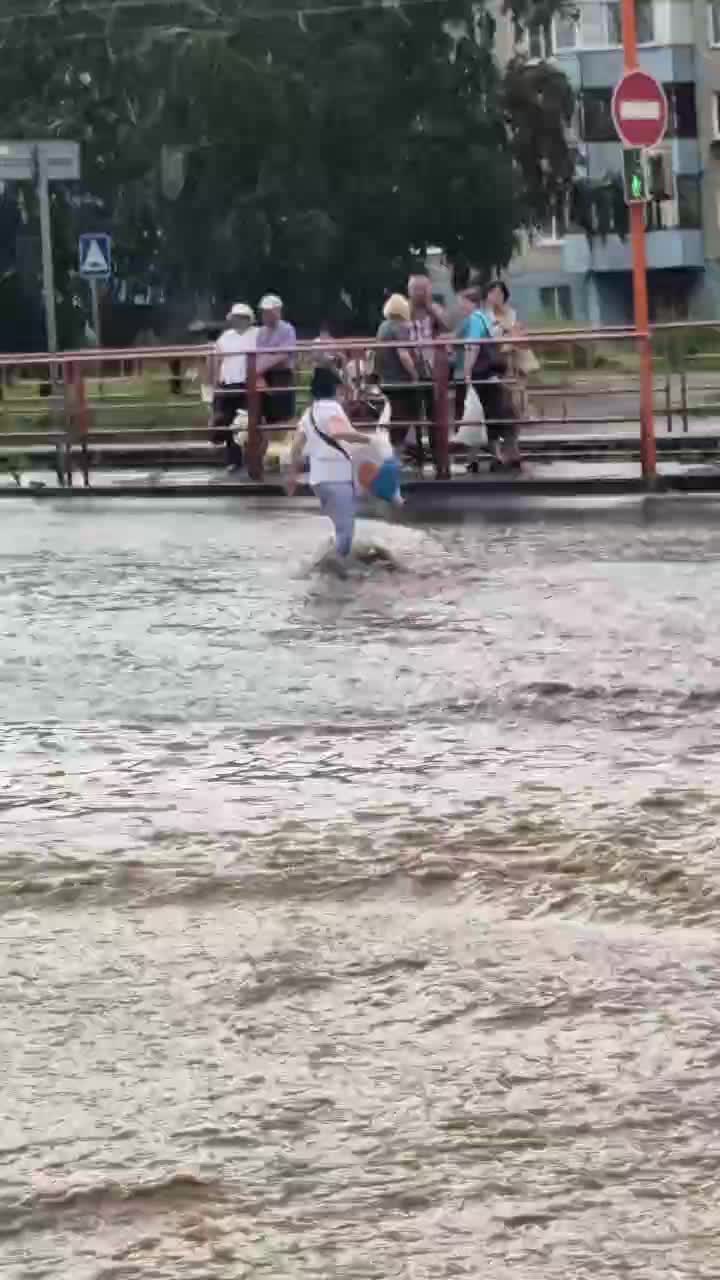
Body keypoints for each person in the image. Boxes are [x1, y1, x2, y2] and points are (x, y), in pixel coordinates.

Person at [287, 366, 373, 566]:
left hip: (318, 480)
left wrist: (292, 475)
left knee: (339, 527)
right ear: (335, 388)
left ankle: (330, 564)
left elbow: (296, 447)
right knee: (346, 532)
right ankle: (329, 572)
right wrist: (368, 439)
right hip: (337, 477)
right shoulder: (333, 408)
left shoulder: (308, 413)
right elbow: (338, 432)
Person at [460, 284, 521, 470]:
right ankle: (500, 455)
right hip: (494, 373)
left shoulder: (475, 319)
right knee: (491, 414)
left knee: (481, 415)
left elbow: (473, 346)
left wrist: (467, 372)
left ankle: (491, 457)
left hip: (482, 374)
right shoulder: (486, 318)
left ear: (471, 303)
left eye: (462, 303)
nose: (461, 307)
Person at [408, 274, 448, 477]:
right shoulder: (404, 311)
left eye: (423, 289)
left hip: (433, 370)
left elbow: (448, 326)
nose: (420, 293)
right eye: (416, 289)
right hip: (412, 370)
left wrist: (431, 307)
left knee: (436, 417)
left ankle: (439, 460)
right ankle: (418, 458)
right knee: (414, 416)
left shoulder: (435, 309)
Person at [211, 302, 258, 468]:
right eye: (235, 317)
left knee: (245, 423)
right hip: (228, 383)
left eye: (240, 317)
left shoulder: (257, 334)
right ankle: (233, 460)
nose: (237, 320)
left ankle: (252, 459)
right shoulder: (225, 336)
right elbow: (217, 359)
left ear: (247, 319)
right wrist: (216, 383)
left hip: (248, 384)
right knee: (229, 422)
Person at [485, 279, 539, 424]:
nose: (496, 297)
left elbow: (518, 331)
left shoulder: (511, 313)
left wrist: (510, 332)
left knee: (519, 386)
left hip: (515, 354)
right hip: (497, 356)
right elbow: (492, 335)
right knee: (503, 389)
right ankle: (511, 416)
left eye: (499, 293)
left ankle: (525, 414)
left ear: (504, 295)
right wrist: (507, 332)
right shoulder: (485, 316)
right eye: (493, 293)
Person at [375, 294, 417, 454]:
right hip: (400, 379)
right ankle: (397, 451)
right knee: (403, 415)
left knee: (394, 414)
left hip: (387, 378)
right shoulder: (399, 327)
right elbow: (403, 355)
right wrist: (415, 375)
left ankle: (395, 449)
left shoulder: (383, 326)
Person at [257, 292, 297, 432]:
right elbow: (258, 355)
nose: (266, 315)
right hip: (266, 375)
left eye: (269, 312)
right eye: (264, 312)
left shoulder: (287, 329)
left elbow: (284, 355)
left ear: (278, 311)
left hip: (283, 376)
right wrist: (259, 375)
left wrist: (259, 369)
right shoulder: (261, 332)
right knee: (266, 416)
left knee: (285, 416)